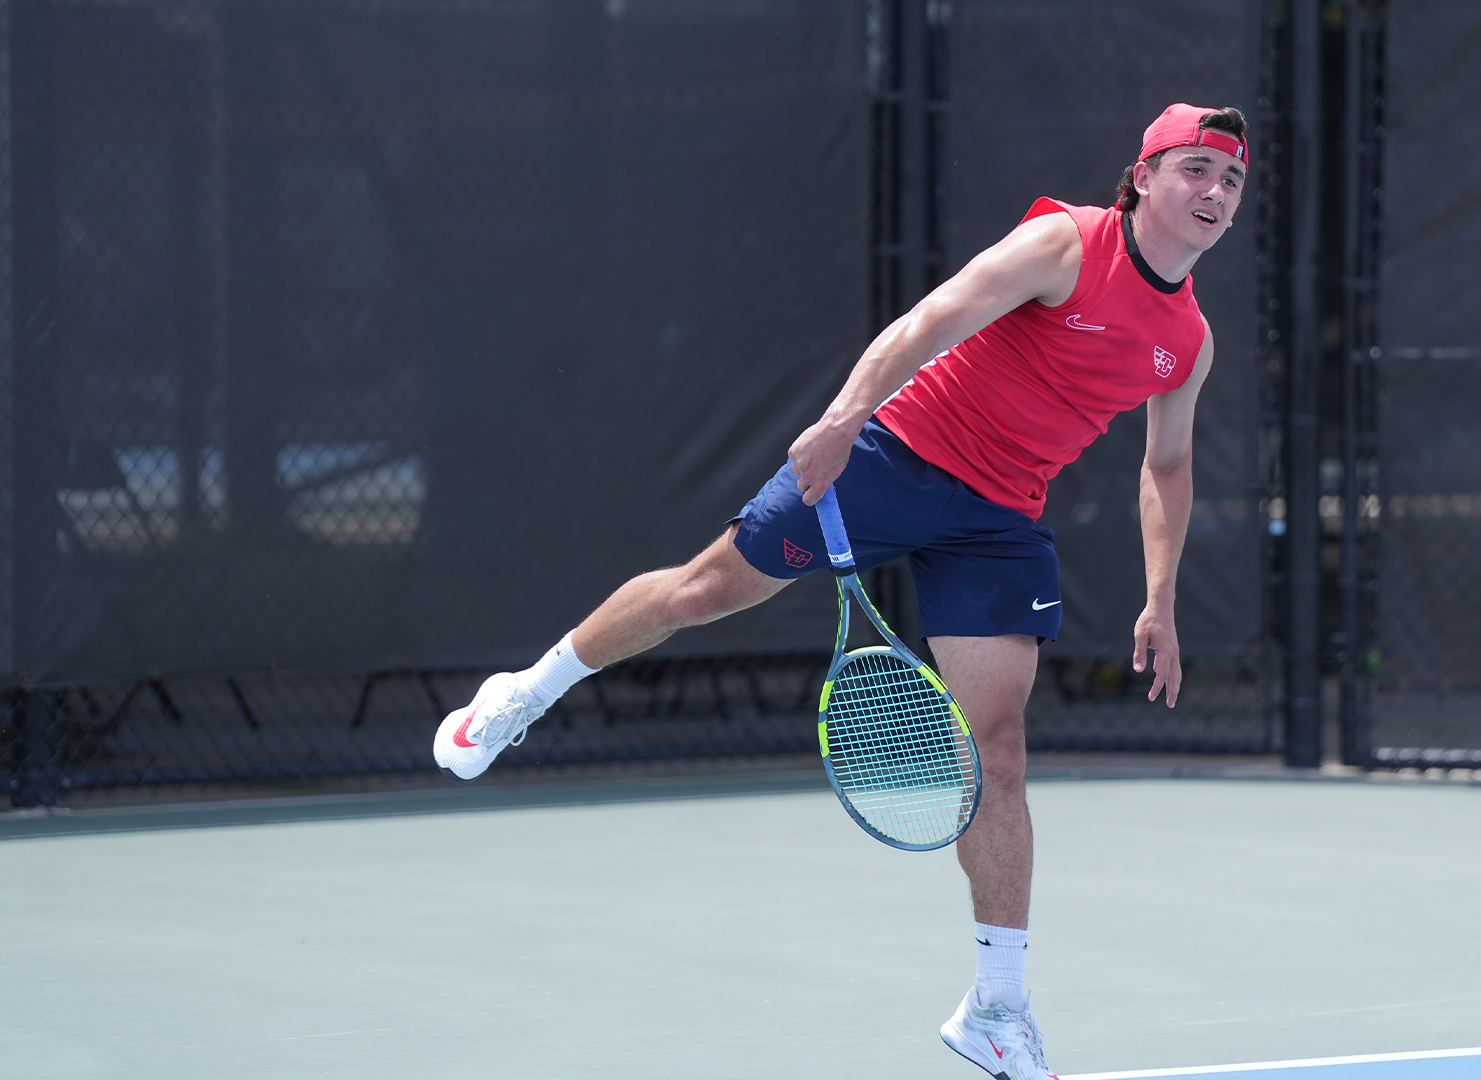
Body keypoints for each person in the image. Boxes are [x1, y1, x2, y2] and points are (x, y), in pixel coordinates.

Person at [433, 102, 1247, 1080]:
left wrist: (1160, 597)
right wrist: (840, 421)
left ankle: (998, 1007)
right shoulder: (1065, 245)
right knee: (700, 593)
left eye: (1231, 180)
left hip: (998, 522)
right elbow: (932, 319)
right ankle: (525, 692)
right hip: (892, 457)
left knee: (1000, 755)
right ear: (1145, 177)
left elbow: (1169, 465)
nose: (1214, 192)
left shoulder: (1187, 341)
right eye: (1196, 168)